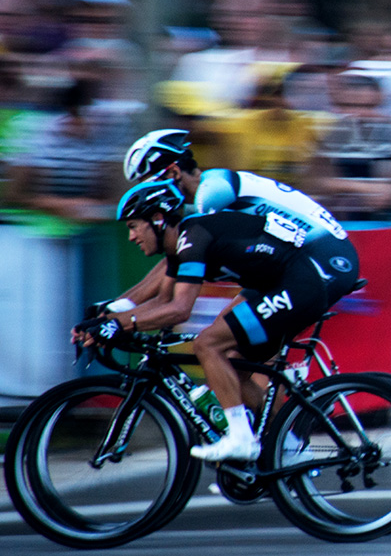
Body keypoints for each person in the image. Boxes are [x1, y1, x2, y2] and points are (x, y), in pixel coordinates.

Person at [85, 180, 360, 461]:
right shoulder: (179, 249)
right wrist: (109, 320)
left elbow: (180, 310)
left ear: (157, 219)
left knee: (208, 344)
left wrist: (118, 325)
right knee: (232, 367)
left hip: (300, 284)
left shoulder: (192, 235)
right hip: (285, 284)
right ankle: (289, 448)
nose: (131, 237)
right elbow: (161, 302)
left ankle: (241, 440)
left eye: (133, 226)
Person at [112, 129, 354, 323]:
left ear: (173, 172)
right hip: (299, 260)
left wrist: (121, 307)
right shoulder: (207, 189)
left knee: (224, 342)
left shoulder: (211, 193)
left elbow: (182, 254)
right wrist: (122, 306)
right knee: (229, 347)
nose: (146, 193)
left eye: (149, 184)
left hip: (321, 257)